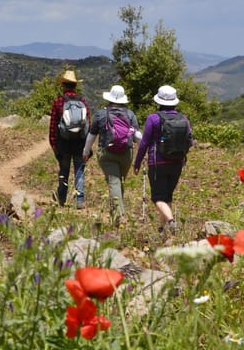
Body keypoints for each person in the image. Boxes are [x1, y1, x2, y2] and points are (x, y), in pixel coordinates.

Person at [133, 85, 193, 234]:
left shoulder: (153, 118)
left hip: (157, 162)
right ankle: (162, 229)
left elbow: (144, 143)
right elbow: (190, 141)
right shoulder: (183, 118)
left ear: (159, 101)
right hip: (177, 162)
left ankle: (171, 222)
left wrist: (137, 162)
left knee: (158, 198)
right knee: (167, 196)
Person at [82, 85, 141, 225]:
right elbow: (137, 135)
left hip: (106, 154)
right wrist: (146, 148)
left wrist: (85, 152)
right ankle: (117, 212)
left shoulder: (100, 114)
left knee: (114, 182)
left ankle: (119, 216)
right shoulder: (130, 114)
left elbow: (91, 135)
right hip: (126, 154)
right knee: (119, 182)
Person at [49, 70, 90, 208]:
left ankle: (61, 198)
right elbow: (88, 125)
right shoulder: (82, 101)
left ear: (64, 86)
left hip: (64, 143)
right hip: (79, 143)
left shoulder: (58, 101)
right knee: (79, 171)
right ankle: (79, 200)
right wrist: (87, 147)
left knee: (64, 171)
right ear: (75, 85)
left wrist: (54, 144)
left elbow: (53, 126)